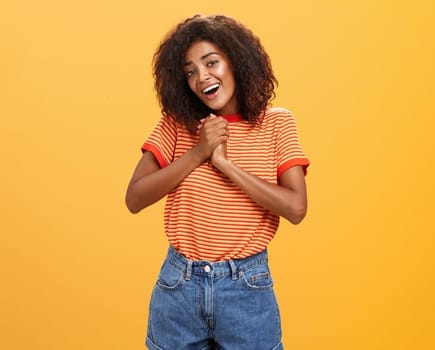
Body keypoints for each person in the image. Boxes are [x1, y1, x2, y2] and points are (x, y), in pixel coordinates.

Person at [125, 14, 309, 350]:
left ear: (237, 62)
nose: (201, 77)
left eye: (211, 63)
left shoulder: (276, 124)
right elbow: (135, 198)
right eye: (190, 71)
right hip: (179, 286)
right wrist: (199, 152)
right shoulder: (177, 124)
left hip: (246, 287)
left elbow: (296, 208)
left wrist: (224, 164)